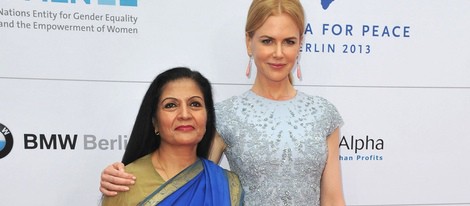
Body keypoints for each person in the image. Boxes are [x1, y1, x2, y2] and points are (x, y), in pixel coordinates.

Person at [100, 0, 346, 205]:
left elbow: (333, 198)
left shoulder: (323, 114)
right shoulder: (225, 115)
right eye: (267, 41)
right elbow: (186, 183)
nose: (278, 53)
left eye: (289, 42)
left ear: (300, 43)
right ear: (249, 42)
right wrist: (122, 177)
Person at [101, 67, 243, 206]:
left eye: (195, 104)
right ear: (155, 121)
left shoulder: (226, 184)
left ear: (207, 117)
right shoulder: (125, 182)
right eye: (170, 105)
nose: (185, 115)